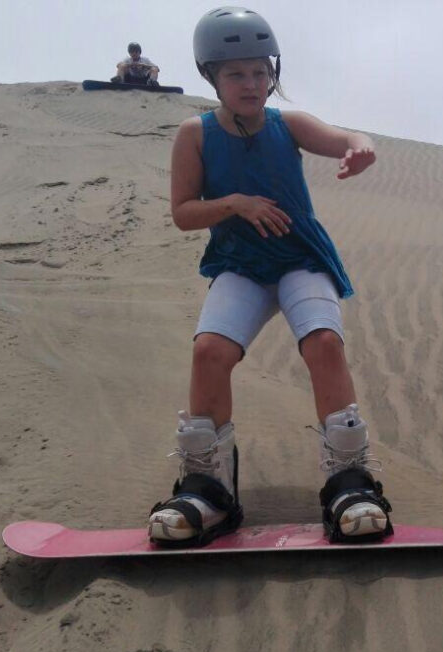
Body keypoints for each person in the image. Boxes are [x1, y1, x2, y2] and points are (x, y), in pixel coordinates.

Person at [147, 6, 392, 546]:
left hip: (301, 258)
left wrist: (359, 147)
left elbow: (343, 136)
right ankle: (207, 490)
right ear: (212, 76)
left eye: (261, 72)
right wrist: (233, 203)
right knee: (209, 350)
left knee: (324, 343)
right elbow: (184, 212)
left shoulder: (289, 124)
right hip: (241, 264)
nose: (252, 84)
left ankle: (351, 484)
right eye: (237, 74)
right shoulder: (196, 134)